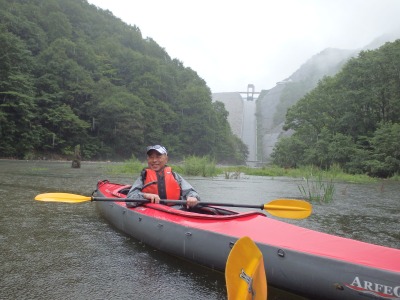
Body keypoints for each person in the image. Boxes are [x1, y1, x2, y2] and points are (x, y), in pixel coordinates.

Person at [126, 145, 200, 209]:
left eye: (158, 157)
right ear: (148, 160)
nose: (154, 160)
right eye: (151, 157)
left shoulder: (175, 176)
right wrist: (145, 195)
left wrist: (192, 197)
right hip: (152, 210)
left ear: (166, 159)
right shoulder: (143, 177)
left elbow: (191, 191)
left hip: (175, 210)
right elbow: (129, 201)